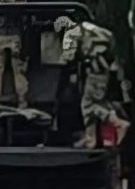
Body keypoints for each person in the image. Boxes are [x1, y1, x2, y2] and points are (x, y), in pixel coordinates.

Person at [55, 16, 130, 149]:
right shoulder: (91, 28)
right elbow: (111, 46)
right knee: (94, 103)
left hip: (94, 73)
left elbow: (68, 57)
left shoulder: (72, 32)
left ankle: (118, 123)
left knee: (88, 105)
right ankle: (91, 139)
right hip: (104, 71)